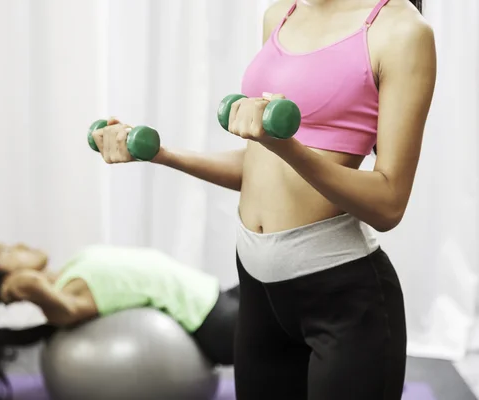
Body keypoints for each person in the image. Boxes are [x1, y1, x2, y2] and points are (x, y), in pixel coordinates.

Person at [91, 0, 436, 399]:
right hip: (258, 290)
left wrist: (286, 147)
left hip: (343, 298)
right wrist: (161, 154)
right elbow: (259, 166)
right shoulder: (281, 14)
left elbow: (389, 203)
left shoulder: (401, 30)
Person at [0, 242, 239, 400]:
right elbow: (67, 312)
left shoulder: (69, 273)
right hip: (215, 321)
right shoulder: (66, 295)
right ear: (9, 280)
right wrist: (30, 288)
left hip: (217, 296)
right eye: (7, 252)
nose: (19, 245)